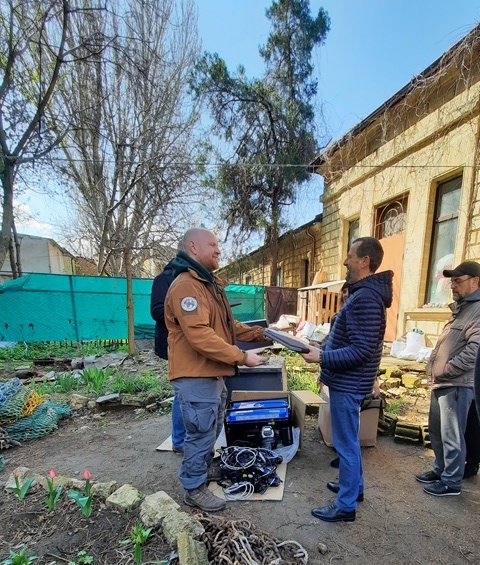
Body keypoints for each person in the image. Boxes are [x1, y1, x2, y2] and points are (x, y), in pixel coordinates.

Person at [165, 228, 268, 513]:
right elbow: (199, 335)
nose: (218, 250)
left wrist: (262, 334)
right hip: (195, 374)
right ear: (193, 247)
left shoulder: (208, 284)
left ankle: (201, 468)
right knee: (200, 432)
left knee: (211, 427)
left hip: (211, 372)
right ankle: (193, 487)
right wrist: (241, 357)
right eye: (212, 244)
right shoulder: (187, 286)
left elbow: (228, 326)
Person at [301, 236, 393, 522]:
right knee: (349, 441)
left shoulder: (366, 298)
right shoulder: (362, 294)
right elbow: (347, 340)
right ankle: (354, 489)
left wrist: (322, 357)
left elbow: (361, 350)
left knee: (346, 445)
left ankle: (345, 505)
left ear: (364, 261)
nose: (345, 261)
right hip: (347, 381)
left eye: (350, 256)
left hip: (349, 383)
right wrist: (321, 350)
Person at [416, 261, 480, 496]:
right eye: (452, 281)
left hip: (457, 384)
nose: (452, 285)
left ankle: (452, 482)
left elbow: (475, 351)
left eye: (458, 281)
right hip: (443, 382)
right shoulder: (462, 308)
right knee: (437, 431)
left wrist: (447, 369)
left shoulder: (477, 310)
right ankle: (441, 469)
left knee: (452, 435)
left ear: (476, 282)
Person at [150, 242, 186, 454]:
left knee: (187, 392)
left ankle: (184, 437)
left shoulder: (190, 279)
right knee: (182, 393)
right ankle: (179, 440)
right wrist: (187, 315)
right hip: (173, 345)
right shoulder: (164, 279)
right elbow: (156, 311)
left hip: (189, 344)